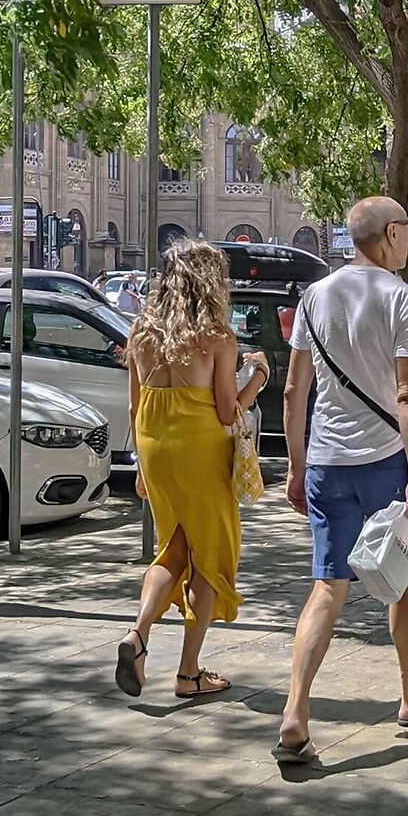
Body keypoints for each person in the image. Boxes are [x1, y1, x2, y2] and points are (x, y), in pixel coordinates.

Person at [278, 196, 408, 764]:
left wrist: (296, 464)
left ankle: (296, 712)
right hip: (384, 461)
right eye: (407, 227)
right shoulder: (405, 300)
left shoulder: (314, 296)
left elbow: (293, 391)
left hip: (328, 462)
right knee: (402, 584)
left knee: (328, 588)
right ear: (387, 236)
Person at [115, 241, 271, 702]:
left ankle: (139, 632)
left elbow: (133, 404)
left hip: (155, 445)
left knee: (173, 547)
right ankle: (188, 672)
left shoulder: (142, 331)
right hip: (200, 449)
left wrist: (142, 466)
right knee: (211, 556)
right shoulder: (217, 337)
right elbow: (227, 412)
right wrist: (258, 377)